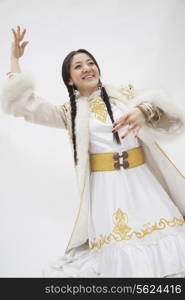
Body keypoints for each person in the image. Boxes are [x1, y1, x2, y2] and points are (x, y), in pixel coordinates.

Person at [1, 26, 185, 278]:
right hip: (106, 187)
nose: (87, 68)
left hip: (141, 179)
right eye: (78, 66)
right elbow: (26, 104)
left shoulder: (124, 95)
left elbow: (169, 111)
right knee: (120, 244)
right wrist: (15, 59)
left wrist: (144, 111)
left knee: (163, 232)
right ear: (69, 79)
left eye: (90, 62)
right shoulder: (69, 112)